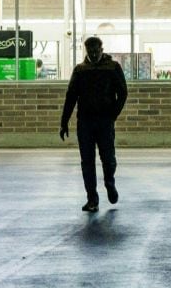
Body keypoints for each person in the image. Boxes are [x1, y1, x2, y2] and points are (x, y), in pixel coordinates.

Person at [59, 36, 128, 212]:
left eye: (96, 51)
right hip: (85, 122)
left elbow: (123, 92)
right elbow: (71, 96)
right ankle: (92, 199)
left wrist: (113, 114)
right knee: (87, 162)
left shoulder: (113, 67)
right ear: (86, 51)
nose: (94, 54)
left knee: (109, 159)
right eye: (91, 51)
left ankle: (109, 183)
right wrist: (64, 122)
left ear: (102, 50)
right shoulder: (80, 70)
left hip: (105, 121)